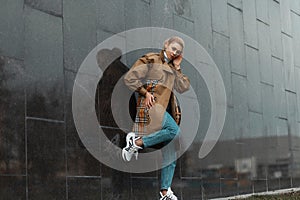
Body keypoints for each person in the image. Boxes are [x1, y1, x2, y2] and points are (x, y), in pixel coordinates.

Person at [122, 36, 190, 200]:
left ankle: (164, 192)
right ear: (166, 45)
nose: (175, 53)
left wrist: (178, 67)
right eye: (173, 48)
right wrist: (145, 93)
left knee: (170, 153)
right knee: (174, 132)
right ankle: (136, 143)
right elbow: (129, 78)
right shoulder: (152, 59)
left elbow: (184, 87)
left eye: (178, 52)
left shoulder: (173, 68)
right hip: (152, 109)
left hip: (166, 113)